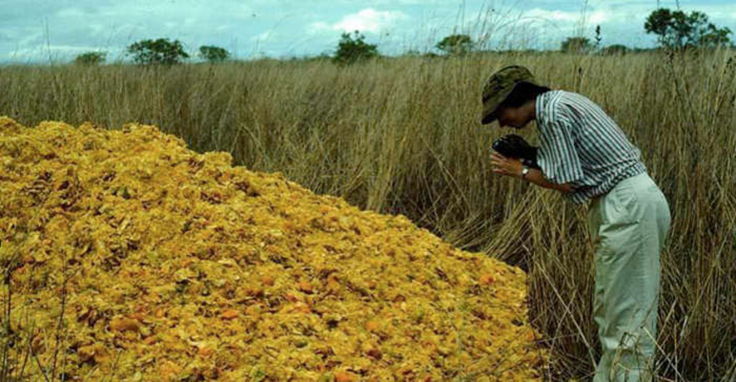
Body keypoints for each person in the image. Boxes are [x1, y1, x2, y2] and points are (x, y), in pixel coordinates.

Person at [481, 65, 671, 381]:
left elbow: (568, 181)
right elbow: (576, 163)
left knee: (628, 316)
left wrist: (521, 171)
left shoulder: (553, 114)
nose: (501, 122)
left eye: (500, 112)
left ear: (516, 98)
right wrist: (531, 154)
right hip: (625, 203)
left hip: (628, 205)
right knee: (611, 310)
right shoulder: (560, 104)